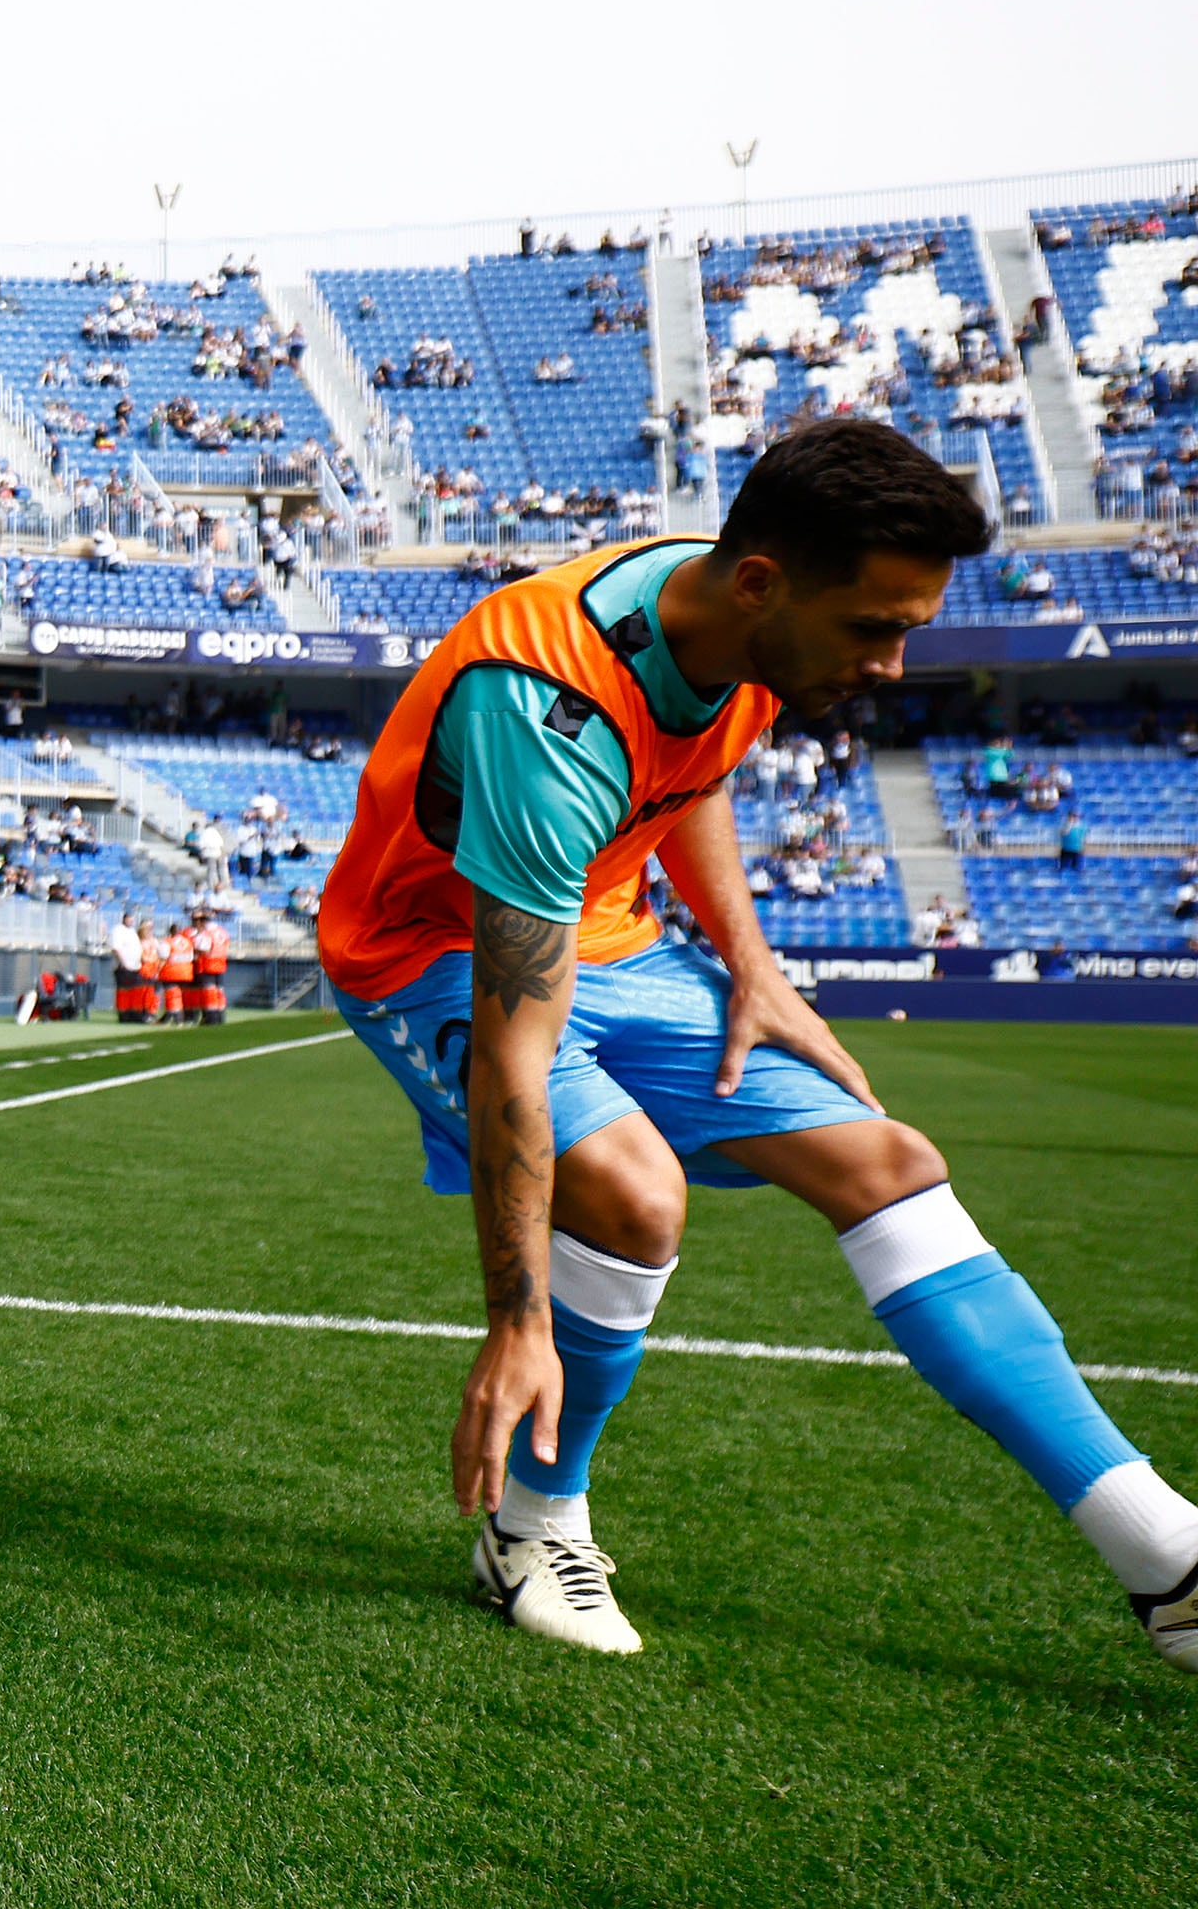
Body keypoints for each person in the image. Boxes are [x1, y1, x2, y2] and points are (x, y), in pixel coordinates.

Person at [323, 419, 1198, 1673]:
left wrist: (749, 958)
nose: (893, 664)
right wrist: (514, 1316)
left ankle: (1167, 1559)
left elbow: (698, 767)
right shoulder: (545, 703)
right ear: (760, 584)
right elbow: (515, 1046)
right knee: (633, 1196)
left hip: (614, 932)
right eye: (873, 628)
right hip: (431, 948)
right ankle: (529, 1526)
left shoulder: (738, 616)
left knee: (890, 1162)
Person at [193, 911, 231, 1023]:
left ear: (203, 921)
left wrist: (195, 949)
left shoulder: (206, 934)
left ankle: (211, 1017)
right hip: (220, 964)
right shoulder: (223, 932)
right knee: (219, 991)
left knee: (209, 992)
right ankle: (220, 1016)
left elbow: (204, 949)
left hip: (208, 965)